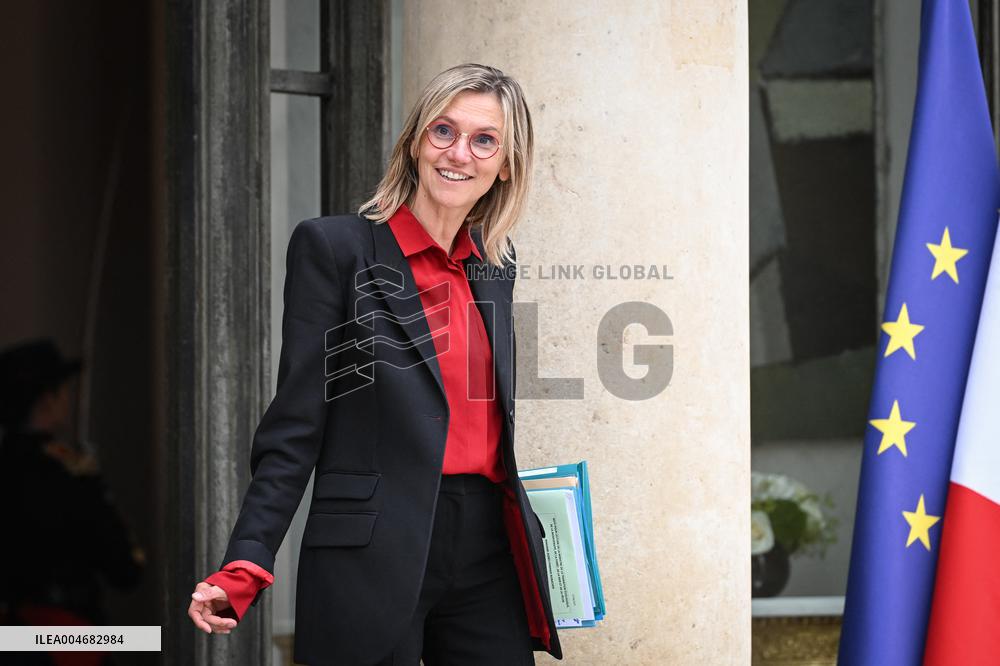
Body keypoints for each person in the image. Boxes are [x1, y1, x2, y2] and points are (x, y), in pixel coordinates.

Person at [187, 63, 562, 665]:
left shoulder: (495, 267)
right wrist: (248, 559)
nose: (459, 153)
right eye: (444, 131)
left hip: (488, 551)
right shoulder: (336, 249)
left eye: (484, 139)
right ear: (415, 141)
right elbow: (297, 421)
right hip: (370, 548)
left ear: (507, 163)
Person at [0, 338, 145, 665]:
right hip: (65, 636)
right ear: (47, 399)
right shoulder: (67, 472)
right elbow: (124, 568)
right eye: (62, 391)